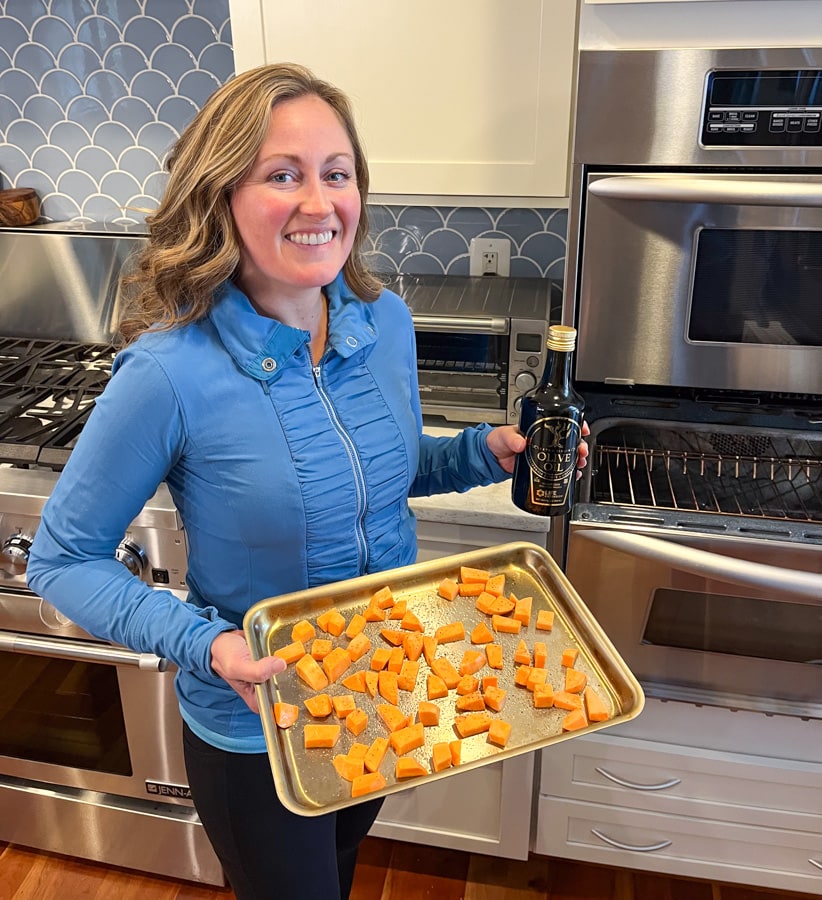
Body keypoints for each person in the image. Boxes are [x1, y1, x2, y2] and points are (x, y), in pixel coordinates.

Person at [27, 63, 587, 900]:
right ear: (220, 196)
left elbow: (380, 471)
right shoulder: (168, 372)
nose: (320, 203)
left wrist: (482, 452)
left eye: (337, 173)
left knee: (341, 869)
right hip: (255, 730)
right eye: (283, 175)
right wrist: (207, 644)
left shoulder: (383, 322)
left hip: (377, 694)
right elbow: (62, 560)